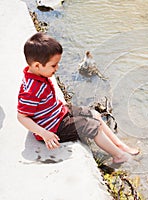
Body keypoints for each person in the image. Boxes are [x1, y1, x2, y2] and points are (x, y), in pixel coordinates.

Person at [17, 32, 139, 163]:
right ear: (36, 65)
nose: (57, 68)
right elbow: (22, 116)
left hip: (58, 112)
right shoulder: (31, 90)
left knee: (94, 114)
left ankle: (119, 145)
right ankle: (118, 156)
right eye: (53, 65)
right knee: (93, 127)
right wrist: (44, 133)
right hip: (53, 127)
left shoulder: (39, 74)